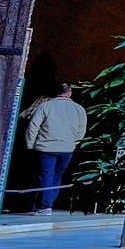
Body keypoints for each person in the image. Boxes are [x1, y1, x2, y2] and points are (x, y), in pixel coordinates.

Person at [23, 84, 86, 216]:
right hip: (67, 149)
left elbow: (33, 127)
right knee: (57, 176)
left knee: (46, 175)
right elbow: (81, 130)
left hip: (46, 147)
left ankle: (45, 206)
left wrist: (30, 144)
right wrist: (74, 144)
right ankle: (48, 203)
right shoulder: (79, 109)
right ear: (69, 93)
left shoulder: (45, 106)